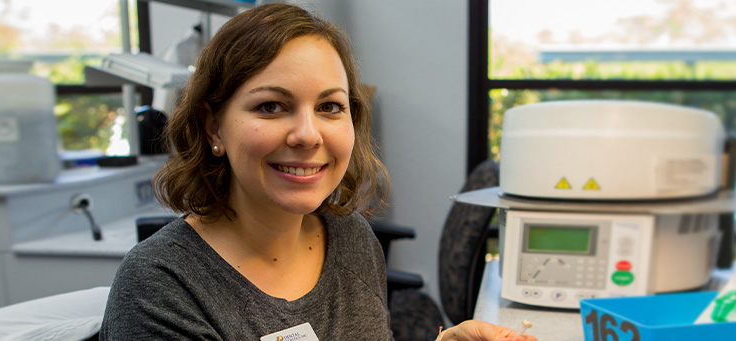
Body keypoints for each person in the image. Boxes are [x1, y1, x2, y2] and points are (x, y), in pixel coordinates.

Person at [99, 4, 538, 341]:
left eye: (330, 106)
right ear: (214, 126)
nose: (308, 135)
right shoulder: (160, 287)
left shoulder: (350, 238)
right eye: (272, 106)